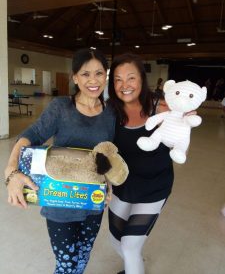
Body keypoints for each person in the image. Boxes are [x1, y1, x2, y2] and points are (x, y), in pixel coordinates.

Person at [4, 48, 115, 274]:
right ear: (75, 77)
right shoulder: (61, 108)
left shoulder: (111, 112)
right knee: (66, 263)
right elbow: (30, 136)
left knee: (83, 255)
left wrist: (109, 182)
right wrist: (11, 170)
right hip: (59, 201)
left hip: (92, 200)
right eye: (85, 74)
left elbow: (111, 154)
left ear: (106, 76)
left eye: (99, 73)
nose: (93, 80)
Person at [107, 53, 174, 274]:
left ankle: (133, 265)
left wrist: (182, 118)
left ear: (142, 80)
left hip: (154, 187)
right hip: (123, 185)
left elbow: (179, 139)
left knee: (129, 246)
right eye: (118, 79)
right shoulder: (109, 111)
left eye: (131, 78)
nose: (124, 85)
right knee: (116, 240)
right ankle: (134, 264)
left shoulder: (161, 107)